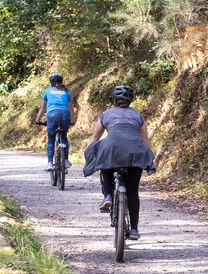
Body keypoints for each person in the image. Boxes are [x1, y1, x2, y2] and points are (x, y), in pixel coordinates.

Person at [83, 85, 155, 241]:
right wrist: (150, 157)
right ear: (130, 101)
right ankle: (134, 229)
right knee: (133, 191)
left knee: (105, 165)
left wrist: (89, 153)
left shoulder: (107, 114)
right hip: (135, 152)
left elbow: (95, 138)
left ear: (114, 100)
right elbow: (145, 139)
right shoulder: (137, 115)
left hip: (112, 149)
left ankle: (108, 195)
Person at [34, 73, 77, 170]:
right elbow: (71, 109)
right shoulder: (66, 92)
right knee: (64, 136)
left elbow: (42, 109)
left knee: (51, 139)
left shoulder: (48, 92)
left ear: (51, 82)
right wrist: (73, 121)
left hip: (52, 115)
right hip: (65, 115)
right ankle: (65, 160)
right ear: (61, 81)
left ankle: (49, 163)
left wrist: (37, 120)